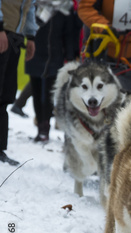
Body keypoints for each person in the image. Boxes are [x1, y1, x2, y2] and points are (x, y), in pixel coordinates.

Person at [25, 0, 82, 142]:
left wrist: (70, 56)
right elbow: (27, 26)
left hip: (55, 57)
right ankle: (40, 126)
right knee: (37, 92)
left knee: (48, 95)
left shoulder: (65, 9)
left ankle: (45, 127)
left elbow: (69, 34)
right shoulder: (34, 6)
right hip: (35, 53)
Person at [0, 0, 38, 166]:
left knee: (6, 92)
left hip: (15, 35)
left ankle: (0, 148)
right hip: (2, 31)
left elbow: (29, 7)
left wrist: (30, 35)